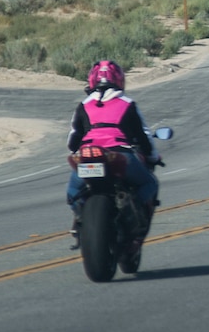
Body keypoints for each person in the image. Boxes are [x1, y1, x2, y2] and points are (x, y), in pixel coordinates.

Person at [66, 60, 161, 243]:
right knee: (150, 184)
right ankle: (131, 211)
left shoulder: (83, 105)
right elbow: (144, 136)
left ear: (92, 80)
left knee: (73, 191)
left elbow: (72, 142)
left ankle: (80, 217)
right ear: (119, 80)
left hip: (87, 155)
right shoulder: (127, 103)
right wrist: (153, 156)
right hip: (119, 154)